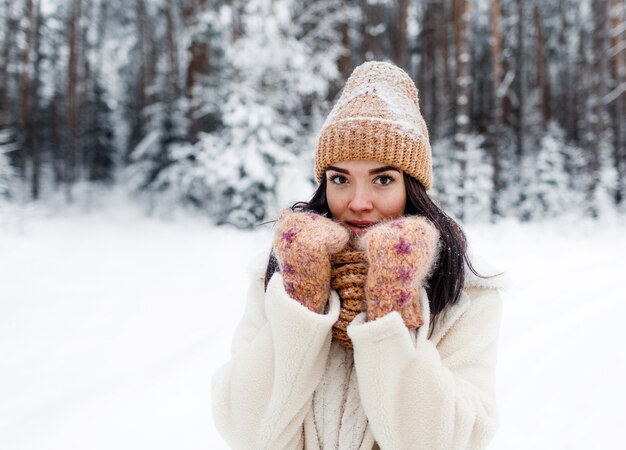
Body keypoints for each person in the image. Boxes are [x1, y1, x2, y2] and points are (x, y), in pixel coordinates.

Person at [211, 61, 508, 450]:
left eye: (383, 179)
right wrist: (302, 303)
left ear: (412, 187)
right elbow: (245, 433)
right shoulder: (279, 279)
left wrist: (391, 308)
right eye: (340, 179)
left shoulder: (464, 294)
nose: (359, 202)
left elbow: (452, 441)